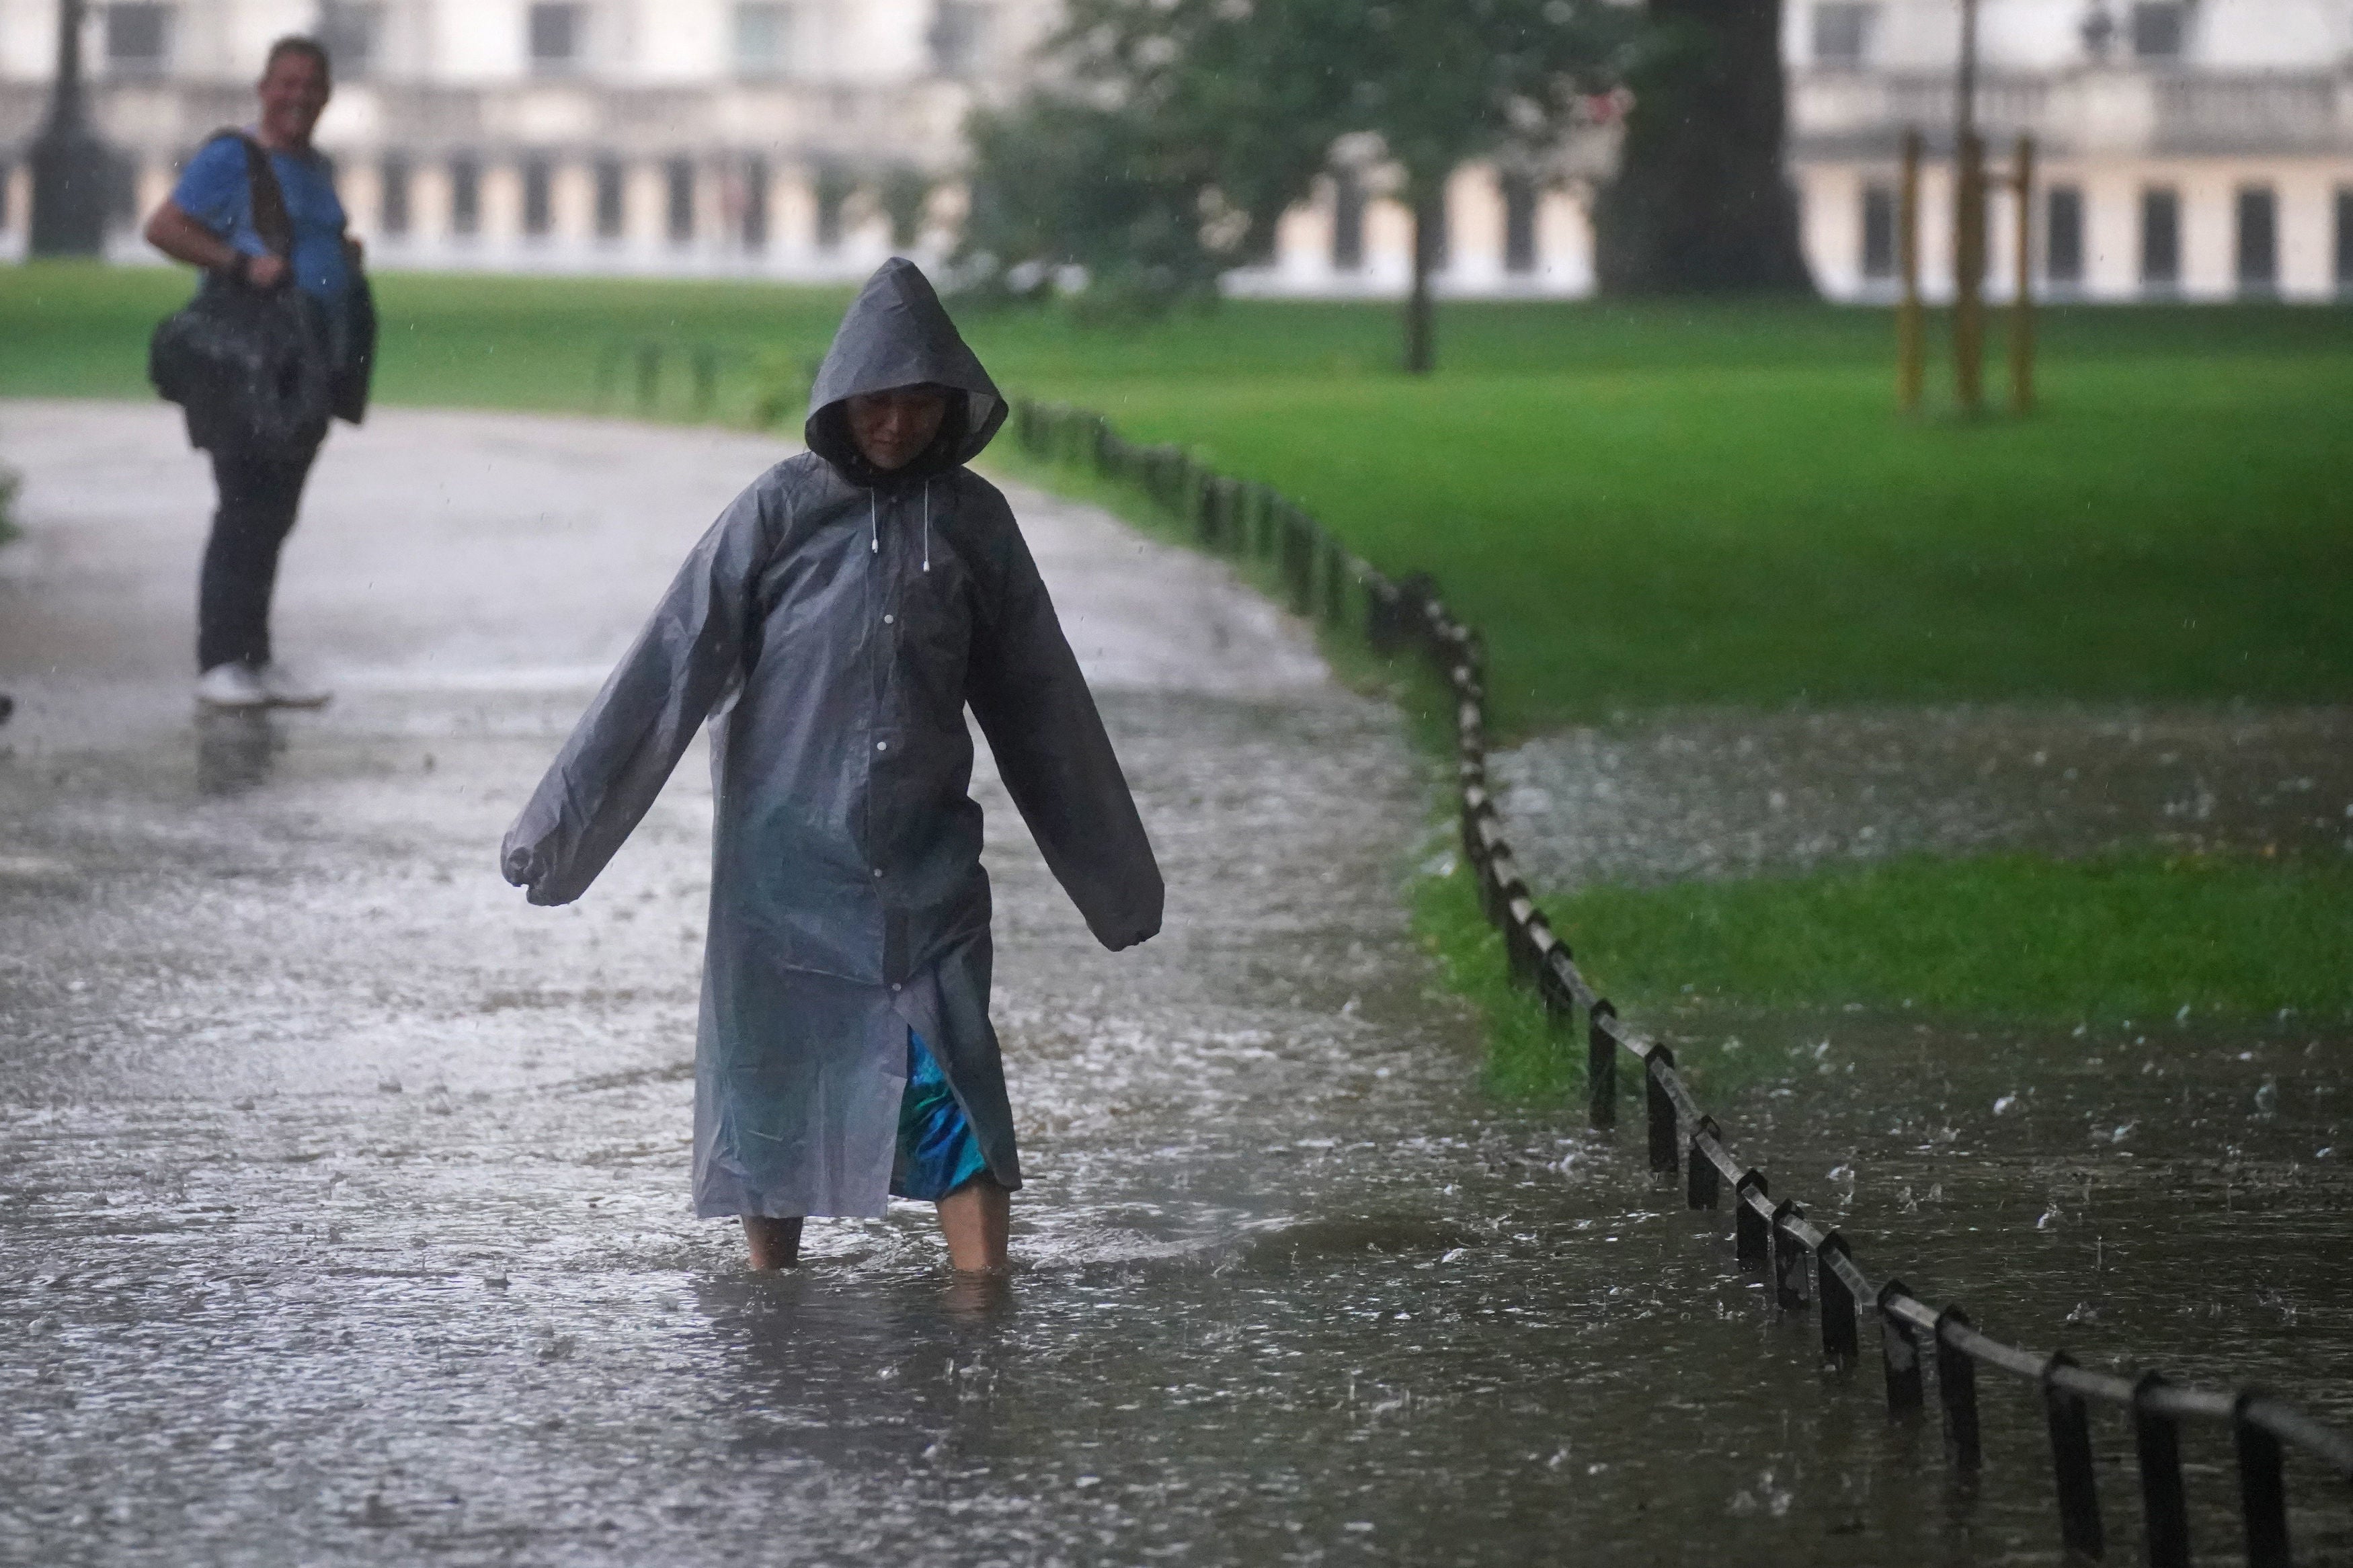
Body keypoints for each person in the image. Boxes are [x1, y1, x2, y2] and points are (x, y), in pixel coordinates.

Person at [501, 259, 1164, 1273]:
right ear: (840, 405)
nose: (895, 428)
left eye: (917, 406)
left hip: (925, 867)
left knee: (956, 1082)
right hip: (782, 876)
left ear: (951, 408)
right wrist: (561, 833)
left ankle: (983, 1310)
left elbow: (1043, 703)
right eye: (876, 406)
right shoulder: (774, 514)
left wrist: (1118, 884)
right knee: (775, 1092)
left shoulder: (976, 526)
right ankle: (776, 1306)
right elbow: (668, 668)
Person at [143, 36, 358, 710]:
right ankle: (219, 662)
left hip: (304, 363)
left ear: (325, 94)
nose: (298, 95)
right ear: (264, 88)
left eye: (311, 84)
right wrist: (239, 265)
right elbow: (165, 226)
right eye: (286, 82)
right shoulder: (232, 155)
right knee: (244, 507)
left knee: (273, 513)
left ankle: (254, 660)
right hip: (250, 363)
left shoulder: (314, 163)